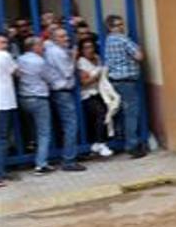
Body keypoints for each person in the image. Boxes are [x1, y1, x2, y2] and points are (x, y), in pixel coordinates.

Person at [43, 28, 86, 171]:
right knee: (71, 125)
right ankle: (69, 160)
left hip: (58, 91)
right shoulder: (56, 53)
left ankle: (66, 156)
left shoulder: (51, 50)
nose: (66, 38)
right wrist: (73, 56)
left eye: (66, 35)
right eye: (62, 36)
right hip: (62, 91)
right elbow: (67, 72)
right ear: (54, 39)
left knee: (65, 125)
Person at [104, 15, 146, 158]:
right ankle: (132, 145)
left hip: (114, 81)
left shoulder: (108, 40)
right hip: (127, 81)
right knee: (131, 114)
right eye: (118, 25)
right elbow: (139, 56)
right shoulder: (123, 39)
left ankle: (118, 142)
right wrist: (138, 48)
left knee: (120, 113)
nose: (121, 27)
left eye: (122, 24)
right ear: (110, 27)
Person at [16, 37, 55, 174]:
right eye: (40, 45)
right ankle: (41, 164)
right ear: (34, 47)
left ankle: (30, 150)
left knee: (30, 129)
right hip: (39, 98)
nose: (42, 48)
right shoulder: (40, 61)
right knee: (44, 132)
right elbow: (50, 78)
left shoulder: (20, 59)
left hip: (23, 98)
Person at [77, 38, 113, 158]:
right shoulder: (81, 62)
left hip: (100, 92)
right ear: (82, 50)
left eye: (91, 47)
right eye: (86, 48)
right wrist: (96, 76)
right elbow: (84, 82)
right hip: (88, 94)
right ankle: (100, 143)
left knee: (105, 114)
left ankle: (98, 143)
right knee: (100, 113)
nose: (89, 50)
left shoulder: (97, 58)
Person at [0, 32, 18, 187]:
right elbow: (17, 72)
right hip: (3, 102)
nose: (5, 45)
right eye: (2, 42)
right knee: (2, 139)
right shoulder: (4, 55)